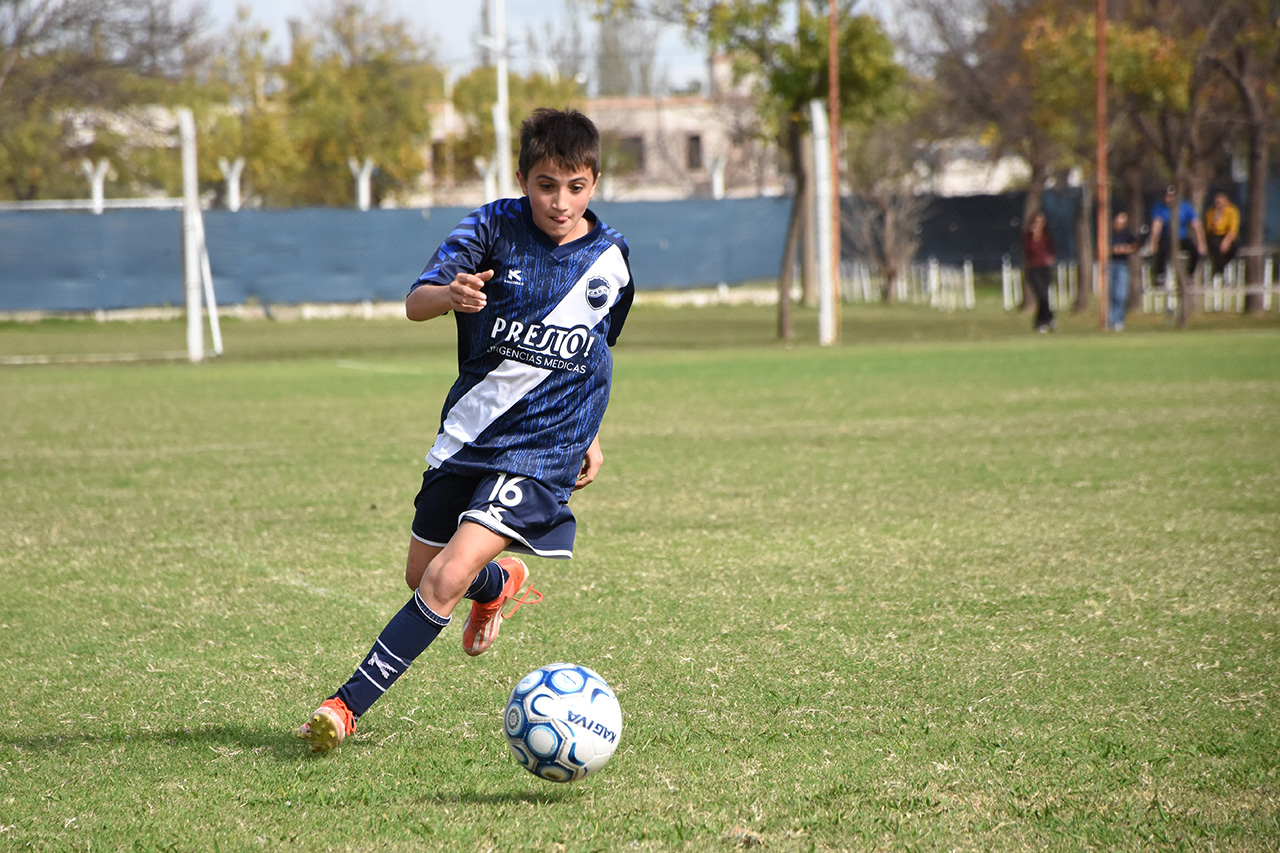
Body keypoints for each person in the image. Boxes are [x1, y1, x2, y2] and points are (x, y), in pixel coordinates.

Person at [297, 107, 635, 753]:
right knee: (421, 572)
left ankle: (344, 707)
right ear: (522, 179)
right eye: (545, 185)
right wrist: (449, 295)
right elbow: (414, 302)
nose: (560, 202)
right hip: (470, 432)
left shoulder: (611, 259)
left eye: (575, 187)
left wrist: (588, 433)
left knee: (443, 578)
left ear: (594, 182)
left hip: (542, 449)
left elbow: (593, 352)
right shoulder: (490, 228)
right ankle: (498, 584)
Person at [1148, 186, 1206, 288]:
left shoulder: (1185, 206)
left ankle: (1190, 275)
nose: (1167, 198)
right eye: (1166, 196)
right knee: (1162, 251)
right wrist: (1153, 243)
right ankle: (1160, 276)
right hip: (1166, 237)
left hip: (1182, 238)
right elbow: (1156, 227)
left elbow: (1196, 225)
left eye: (1170, 196)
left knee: (1195, 252)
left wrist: (1201, 243)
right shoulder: (1159, 207)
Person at [1022, 211, 1056, 332]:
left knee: (1045, 296)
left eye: (1041, 222)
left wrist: (1050, 258)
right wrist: (1034, 235)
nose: (1038, 225)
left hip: (1044, 268)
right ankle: (1050, 318)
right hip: (1033, 268)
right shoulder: (1027, 236)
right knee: (1041, 295)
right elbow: (1028, 249)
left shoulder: (1046, 236)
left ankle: (1040, 323)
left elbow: (1052, 249)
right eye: (1036, 222)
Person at [1108, 211, 1138, 331]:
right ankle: (1110, 321)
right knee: (1110, 295)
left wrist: (1123, 249)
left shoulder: (1127, 235)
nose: (1119, 225)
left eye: (1121, 223)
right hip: (1110, 265)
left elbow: (1135, 246)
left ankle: (1118, 320)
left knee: (1120, 294)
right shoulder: (1108, 235)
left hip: (1122, 265)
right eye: (1117, 223)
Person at [1204, 191, 1241, 280]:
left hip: (1227, 235)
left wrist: (1226, 241)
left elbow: (1233, 229)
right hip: (1214, 236)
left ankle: (1220, 269)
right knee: (1216, 248)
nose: (1218, 204)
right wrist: (1215, 220)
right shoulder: (1211, 212)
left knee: (1234, 249)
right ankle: (1219, 272)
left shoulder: (1232, 211)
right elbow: (1210, 229)